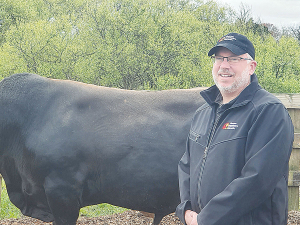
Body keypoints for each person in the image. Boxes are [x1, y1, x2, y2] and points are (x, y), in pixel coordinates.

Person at [175, 33, 294, 225]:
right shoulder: (203, 112)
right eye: (219, 58)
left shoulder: (268, 111)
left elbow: (257, 180)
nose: (224, 65)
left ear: (251, 66)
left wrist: (206, 219)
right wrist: (186, 209)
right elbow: (186, 166)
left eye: (234, 59)